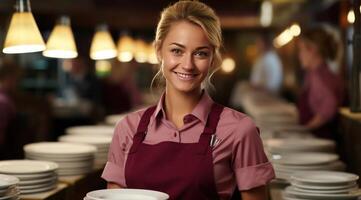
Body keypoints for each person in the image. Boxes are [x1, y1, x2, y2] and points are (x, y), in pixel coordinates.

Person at [102, 1, 275, 200]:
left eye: (200, 53)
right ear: (159, 51)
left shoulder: (240, 130)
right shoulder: (127, 129)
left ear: (213, 59)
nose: (188, 64)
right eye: (177, 51)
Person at [296, 25, 344, 139]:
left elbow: (330, 106)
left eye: (301, 50)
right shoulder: (316, 73)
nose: (299, 55)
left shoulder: (319, 76)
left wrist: (307, 128)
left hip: (319, 139)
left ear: (312, 50)